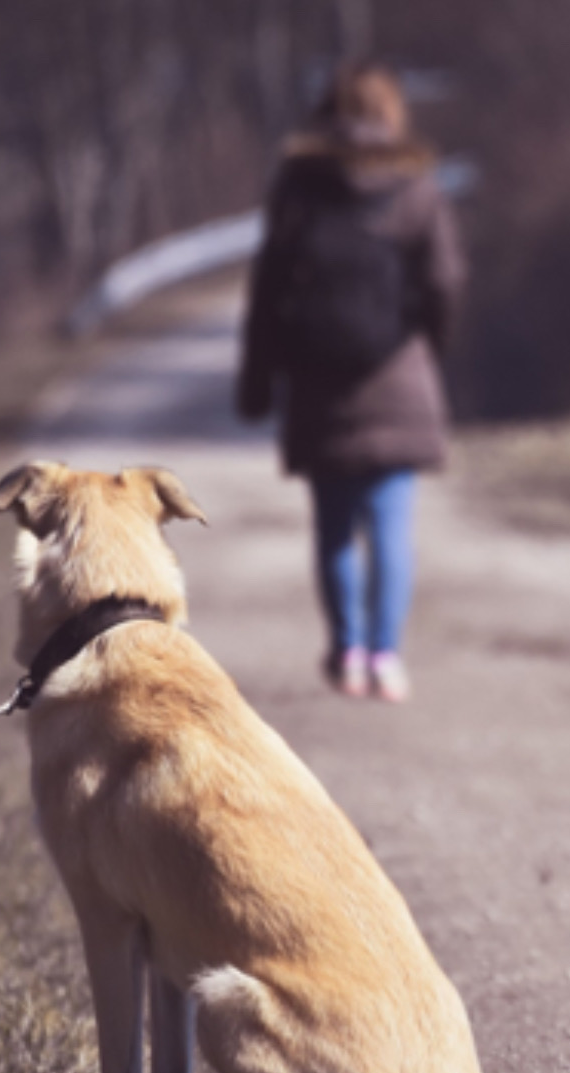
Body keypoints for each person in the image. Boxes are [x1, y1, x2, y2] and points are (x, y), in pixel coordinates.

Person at [236, 60, 466, 703]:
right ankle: (387, 656)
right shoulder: (418, 186)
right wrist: (427, 344)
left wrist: (258, 380)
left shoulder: (298, 187)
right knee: (391, 527)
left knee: (335, 529)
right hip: (398, 376)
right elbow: (445, 281)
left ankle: (349, 652)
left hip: (318, 387)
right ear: (393, 114)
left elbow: (267, 293)